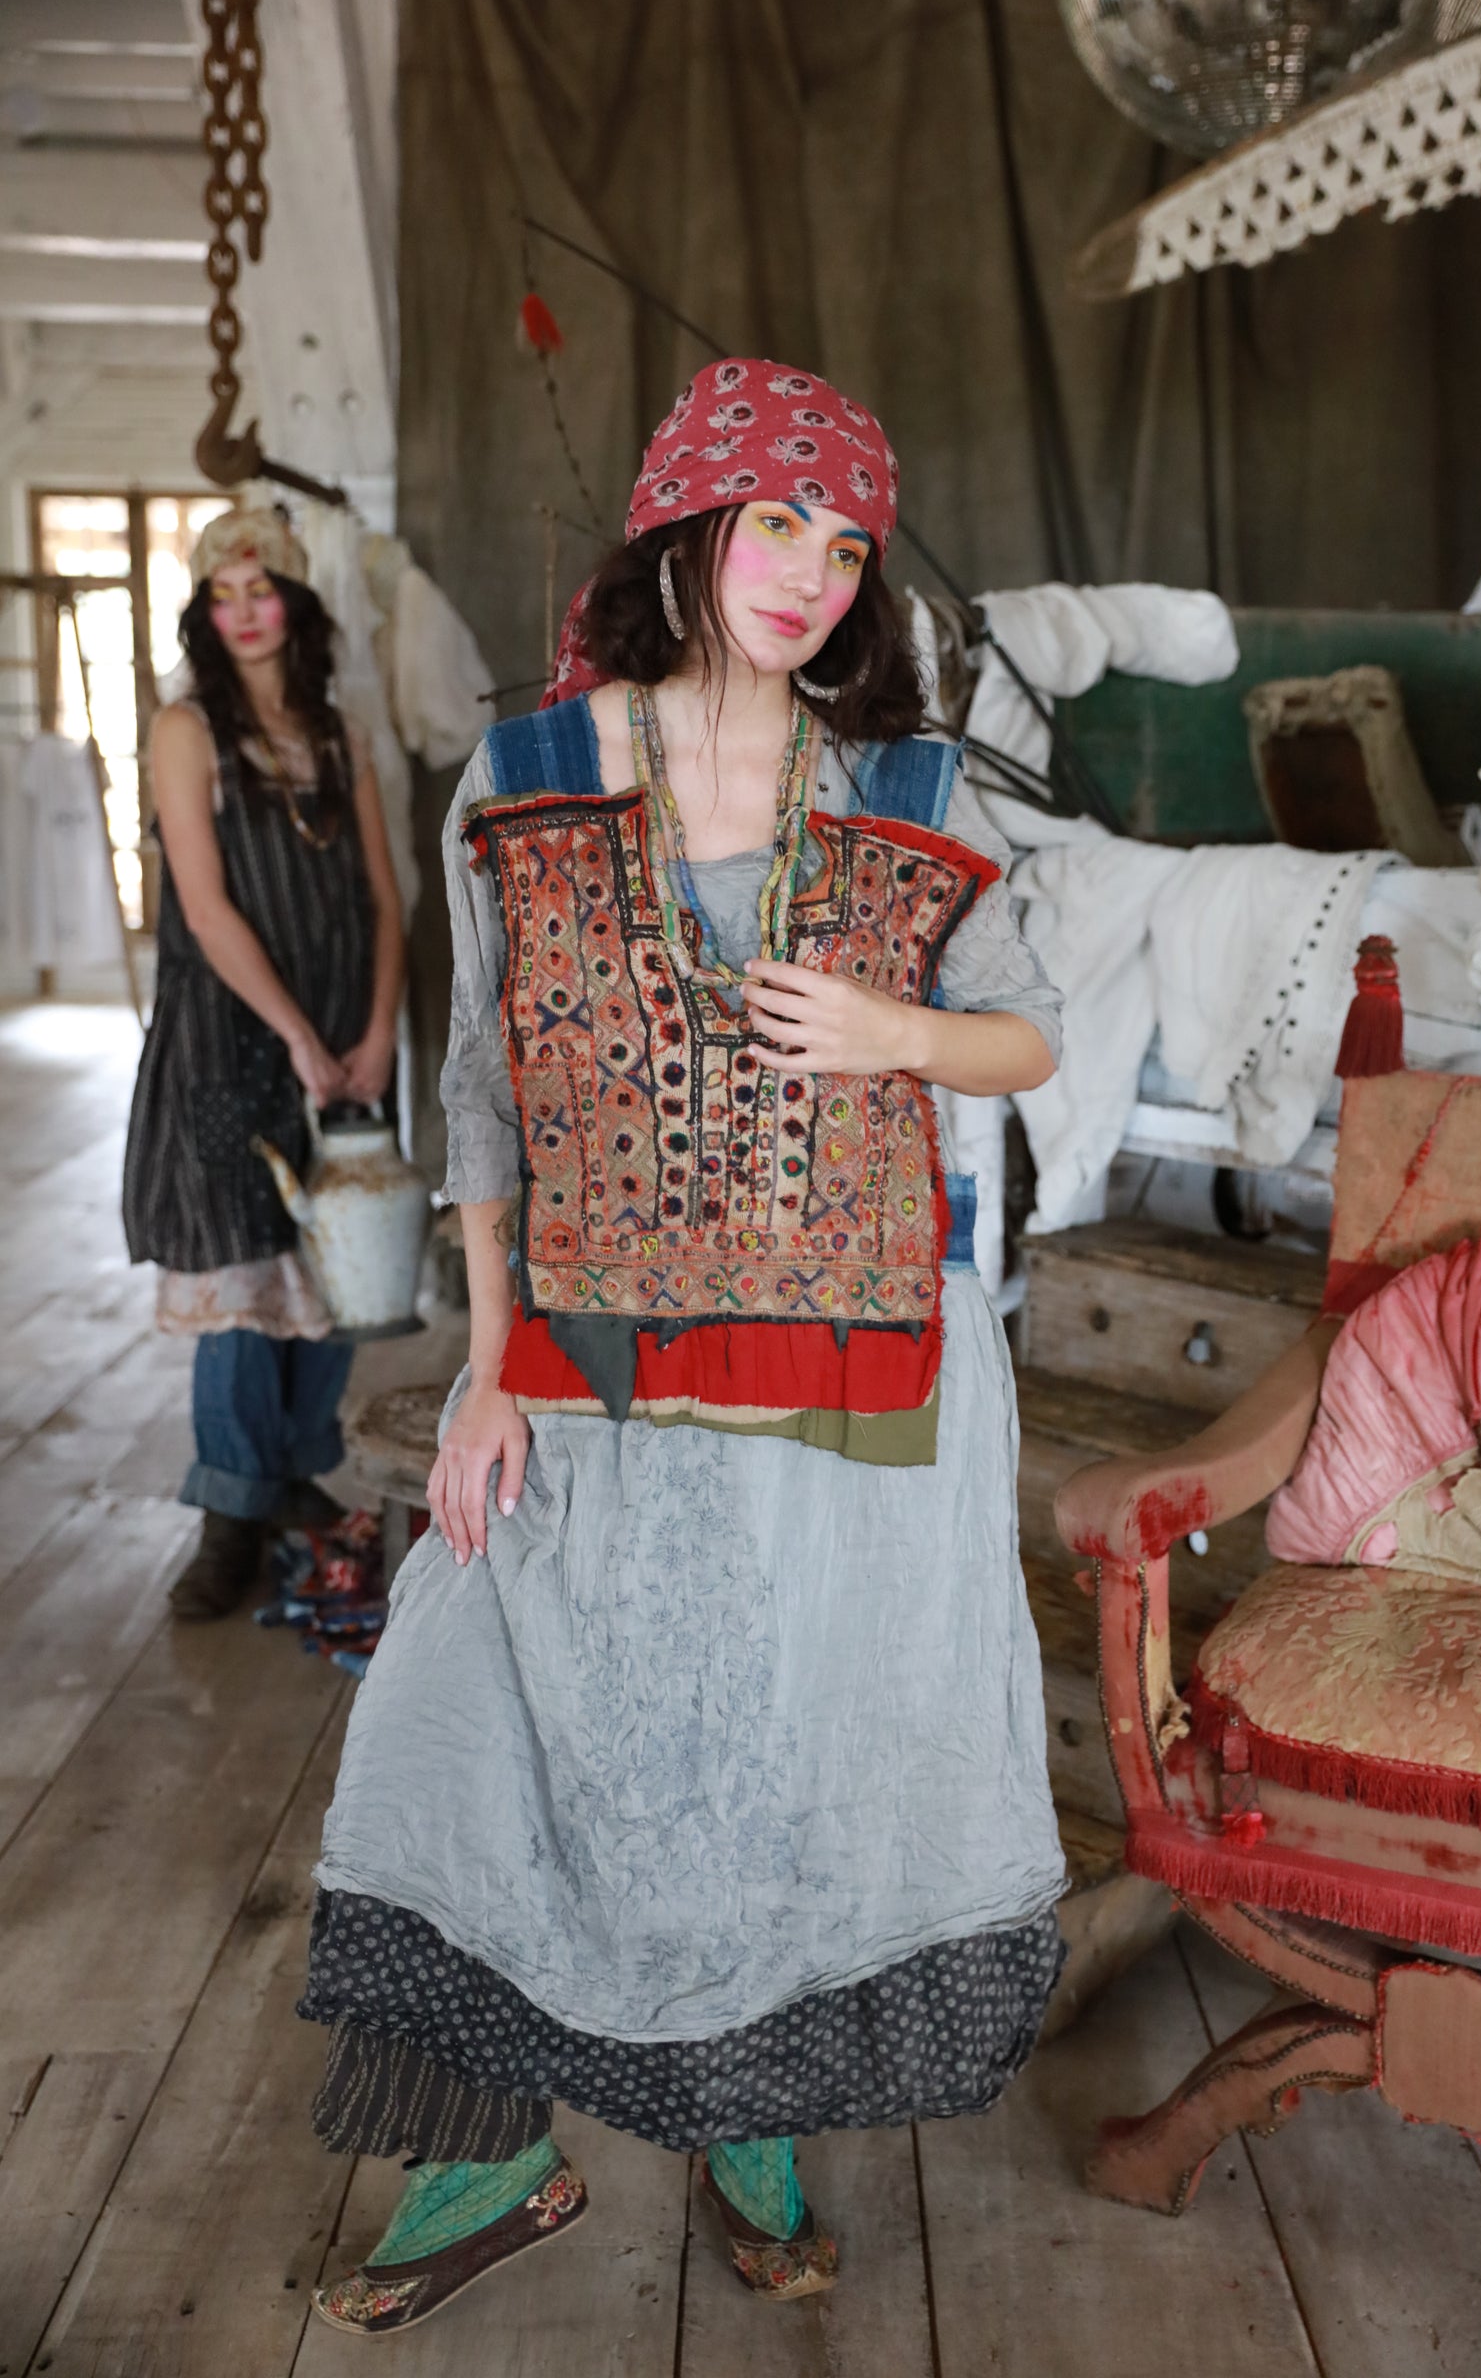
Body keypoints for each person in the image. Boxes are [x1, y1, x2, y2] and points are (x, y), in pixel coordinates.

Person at [300, 361, 1067, 2336]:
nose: (811, 573)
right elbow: (481, 1096)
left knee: (792, 1734)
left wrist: (898, 1035)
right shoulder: (526, 775)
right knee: (490, 1716)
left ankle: (751, 2119)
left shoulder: (906, 789)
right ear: (687, 528)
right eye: (775, 524)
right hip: (591, 1356)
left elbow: (1026, 1035)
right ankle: (497, 2149)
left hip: (853, 1375)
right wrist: (484, 1365)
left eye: (846, 543)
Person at [123, 507, 406, 1619]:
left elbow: (384, 899)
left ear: (295, 603)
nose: (244, 613)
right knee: (241, 1269)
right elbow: (203, 907)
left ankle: (291, 1474)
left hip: (343, 1031)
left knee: (337, 1262)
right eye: (223, 594)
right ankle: (230, 1511)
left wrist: (376, 1029)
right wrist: (294, 1035)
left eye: (262, 590)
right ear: (206, 611)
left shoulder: (341, 735)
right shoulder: (186, 728)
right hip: (229, 1037)